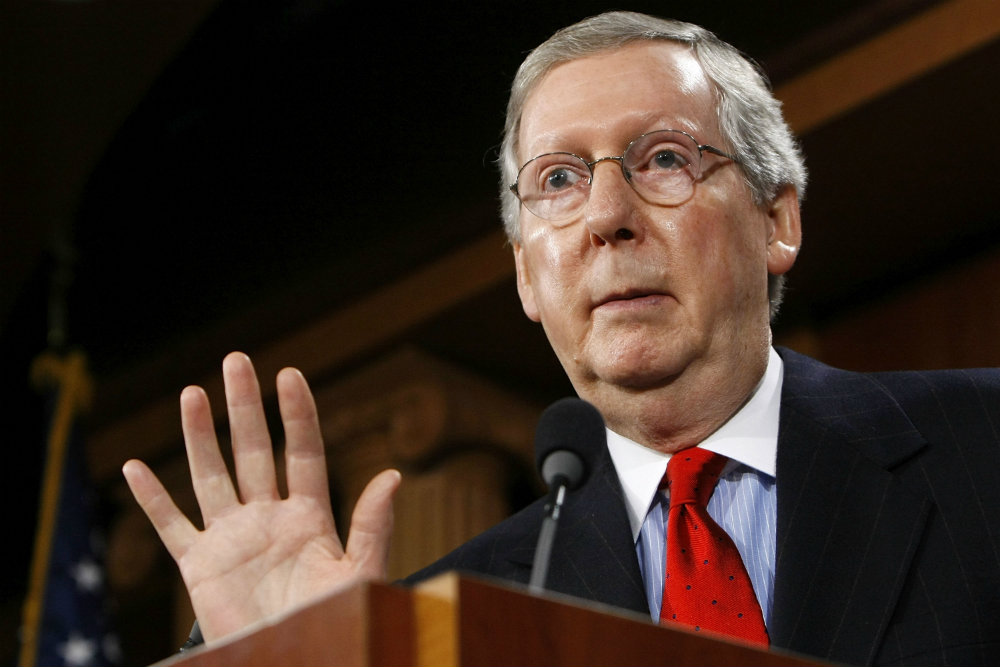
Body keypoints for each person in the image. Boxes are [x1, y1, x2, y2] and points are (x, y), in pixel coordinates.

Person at [122, 11, 1000, 666]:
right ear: (524, 276)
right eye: (559, 180)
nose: (607, 218)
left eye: (662, 158)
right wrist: (291, 657)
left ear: (776, 219)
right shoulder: (456, 620)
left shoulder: (982, 450)